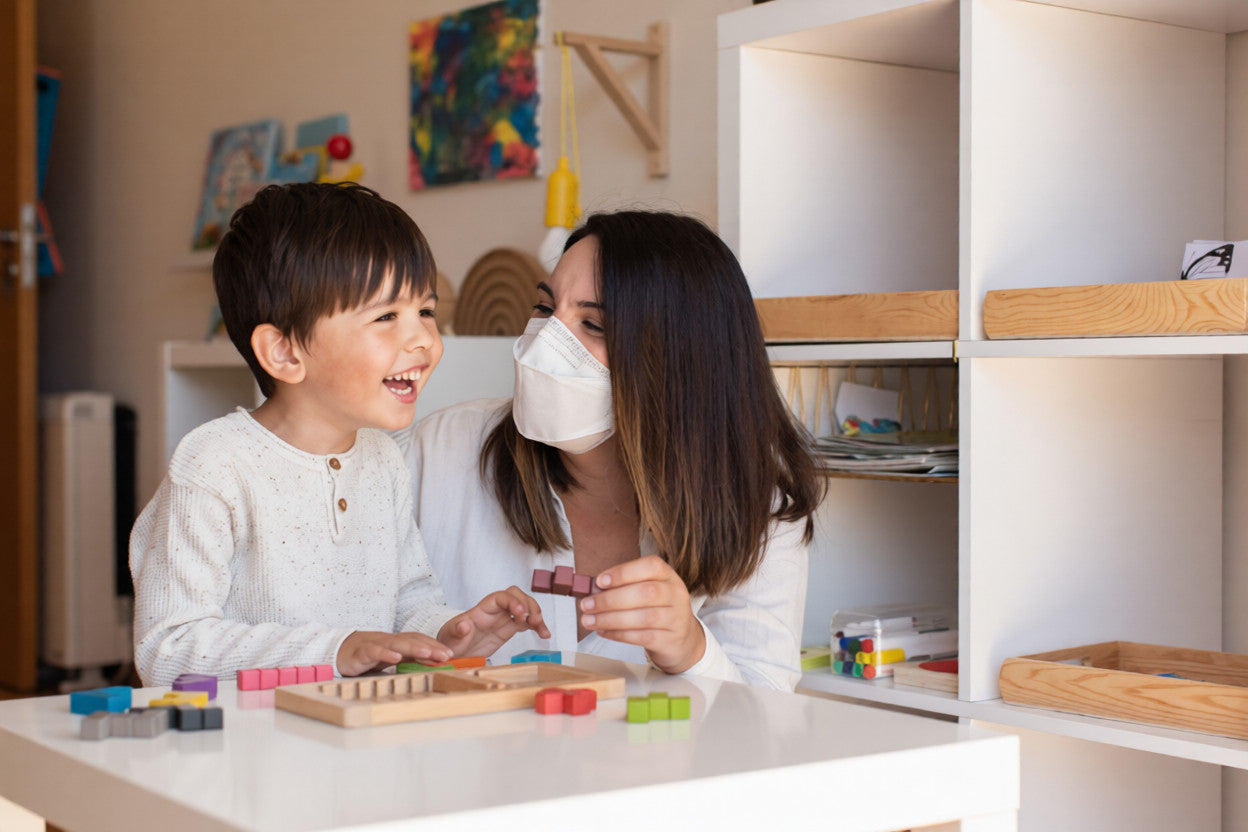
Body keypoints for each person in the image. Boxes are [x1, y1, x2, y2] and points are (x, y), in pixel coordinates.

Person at [130, 182, 548, 686]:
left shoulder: (381, 460)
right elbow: (168, 648)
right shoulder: (214, 465)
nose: (423, 340)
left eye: (426, 311)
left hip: (354, 742)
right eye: (387, 316)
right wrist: (337, 650)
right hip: (246, 752)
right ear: (284, 353)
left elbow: (406, 601)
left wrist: (447, 634)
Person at [399, 210, 823, 691]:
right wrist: (428, 654)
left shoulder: (757, 503)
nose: (545, 344)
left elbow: (764, 719)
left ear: (679, 360)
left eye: (593, 324)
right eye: (544, 309)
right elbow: (346, 642)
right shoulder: (439, 450)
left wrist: (691, 649)